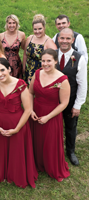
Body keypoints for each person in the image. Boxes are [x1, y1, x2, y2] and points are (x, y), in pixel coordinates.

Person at [0, 58, 38, 188]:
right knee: (3, 148)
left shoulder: (21, 85)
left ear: (9, 69)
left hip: (18, 123)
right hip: (0, 123)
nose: (0, 74)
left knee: (17, 150)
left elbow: (28, 110)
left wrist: (16, 129)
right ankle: (3, 172)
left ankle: (17, 173)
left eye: (2, 70)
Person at [29, 49, 70, 181]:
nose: (45, 64)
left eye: (49, 61)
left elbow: (63, 103)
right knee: (36, 139)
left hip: (52, 115)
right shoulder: (37, 73)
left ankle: (51, 165)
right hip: (36, 111)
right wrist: (30, 110)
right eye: (43, 60)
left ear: (55, 61)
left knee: (50, 142)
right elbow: (30, 92)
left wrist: (48, 117)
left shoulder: (63, 80)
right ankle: (37, 163)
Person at [55, 28, 87, 166]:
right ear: (58, 39)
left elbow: (82, 85)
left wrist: (77, 105)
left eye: (68, 39)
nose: (65, 41)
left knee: (70, 126)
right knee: (53, 126)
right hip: (52, 101)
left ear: (73, 40)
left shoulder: (79, 58)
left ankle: (71, 151)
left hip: (71, 99)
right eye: (62, 38)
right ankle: (54, 151)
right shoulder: (51, 55)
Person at [23, 14, 57, 84]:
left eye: (40, 29)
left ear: (44, 28)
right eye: (35, 29)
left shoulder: (49, 42)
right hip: (28, 69)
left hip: (41, 72)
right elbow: (25, 54)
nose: (37, 31)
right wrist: (24, 67)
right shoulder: (30, 38)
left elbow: (55, 60)